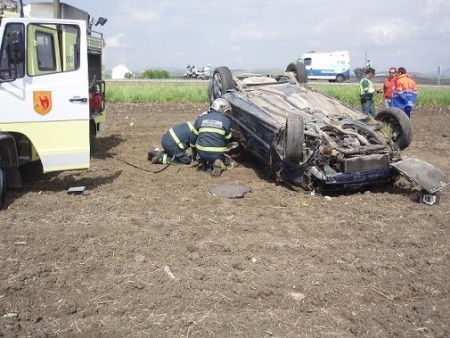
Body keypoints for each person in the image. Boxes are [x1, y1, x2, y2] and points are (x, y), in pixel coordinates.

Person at [190, 98, 233, 176]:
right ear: (222, 109)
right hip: (218, 153)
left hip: (202, 151)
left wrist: (194, 151)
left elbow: (193, 138)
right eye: (227, 111)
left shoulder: (200, 119)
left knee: (203, 153)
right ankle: (219, 164)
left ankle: (202, 162)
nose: (226, 114)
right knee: (226, 160)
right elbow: (228, 140)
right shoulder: (226, 121)